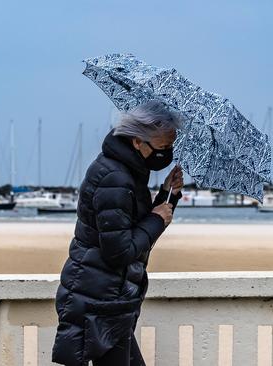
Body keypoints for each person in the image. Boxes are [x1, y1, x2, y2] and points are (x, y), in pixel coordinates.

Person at [52, 100, 184, 366]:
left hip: (108, 297)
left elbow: (132, 230)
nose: (166, 154)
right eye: (162, 147)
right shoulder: (115, 177)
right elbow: (119, 250)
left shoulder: (127, 173)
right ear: (138, 141)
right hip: (97, 299)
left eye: (171, 147)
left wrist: (168, 196)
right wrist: (157, 220)